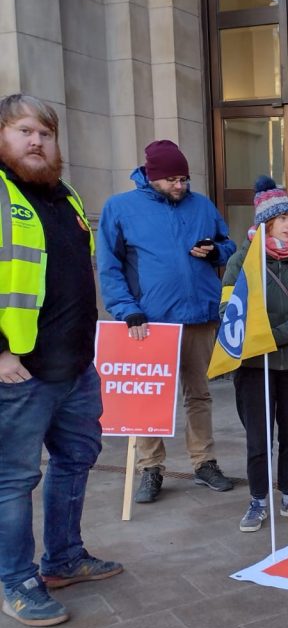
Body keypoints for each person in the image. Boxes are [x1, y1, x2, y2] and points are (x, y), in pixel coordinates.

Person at [0, 94, 123, 627]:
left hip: (75, 367)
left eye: (45, 133)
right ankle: (16, 580)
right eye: (25, 131)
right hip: (21, 372)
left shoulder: (65, 196)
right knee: (13, 481)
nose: (36, 141)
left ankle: (64, 558)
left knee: (75, 461)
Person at [97, 140, 237, 503]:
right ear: (152, 177)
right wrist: (127, 310)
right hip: (149, 323)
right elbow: (109, 267)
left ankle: (204, 462)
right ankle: (150, 468)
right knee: (148, 399)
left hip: (198, 317)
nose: (180, 186)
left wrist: (214, 250)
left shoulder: (201, 205)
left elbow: (228, 244)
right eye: (172, 179)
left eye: (184, 179)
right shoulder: (120, 208)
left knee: (200, 394)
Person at [227, 177, 288, 532]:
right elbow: (229, 307)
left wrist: (275, 335)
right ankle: (257, 500)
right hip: (255, 366)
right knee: (258, 438)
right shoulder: (243, 260)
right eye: (282, 218)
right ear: (265, 222)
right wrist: (260, 338)